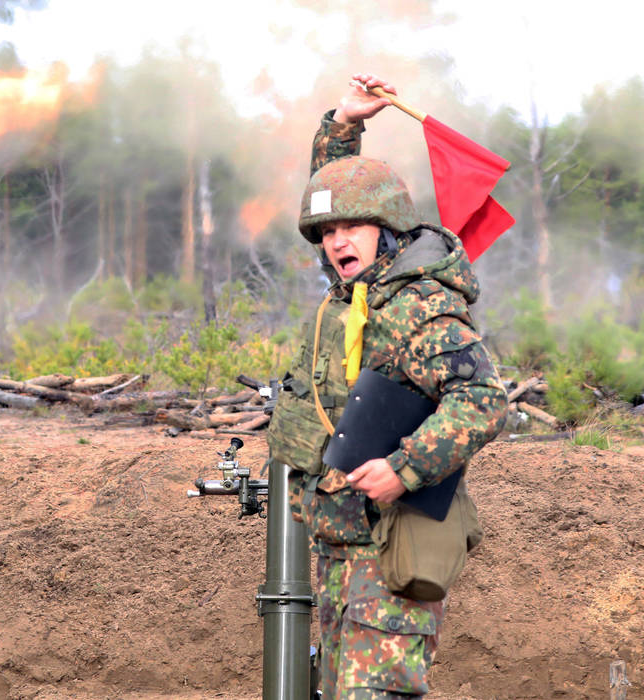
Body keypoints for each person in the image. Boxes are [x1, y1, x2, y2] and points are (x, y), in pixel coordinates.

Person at [266, 74, 508, 699]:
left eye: (351, 228)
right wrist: (343, 125)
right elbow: (337, 196)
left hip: (387, 550)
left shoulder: (418, 305)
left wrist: (405, 466)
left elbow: (482, 401)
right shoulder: (363, 294)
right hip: (342, 553)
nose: (335, 241)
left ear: (388, 227)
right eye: (325, 234)